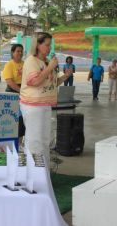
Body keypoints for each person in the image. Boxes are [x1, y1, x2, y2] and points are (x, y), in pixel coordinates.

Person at [20, 32, 72, 166]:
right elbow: (34, 81)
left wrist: (64, 77)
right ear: (37, 45)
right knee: (34, 140)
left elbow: (51, 83)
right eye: (47, 45)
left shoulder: (46, 62)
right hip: (33, 106)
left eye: (50, 45)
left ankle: (43, 172)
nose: (49, 48)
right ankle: (33, 173)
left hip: (45, 105)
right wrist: (50, 68)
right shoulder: (31, 60)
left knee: (44, 140)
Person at [2, 44, 25, 140]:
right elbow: (10, 82)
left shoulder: (25, 64)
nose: (20, 53)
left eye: (21, 51)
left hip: (24, 91)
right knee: (15, 117)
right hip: (13, 93)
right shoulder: (9, 65)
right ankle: (13, 139)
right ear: (12, 52)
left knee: (23, 117)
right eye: (18, 51)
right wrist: (21, 91)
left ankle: (21, 139)